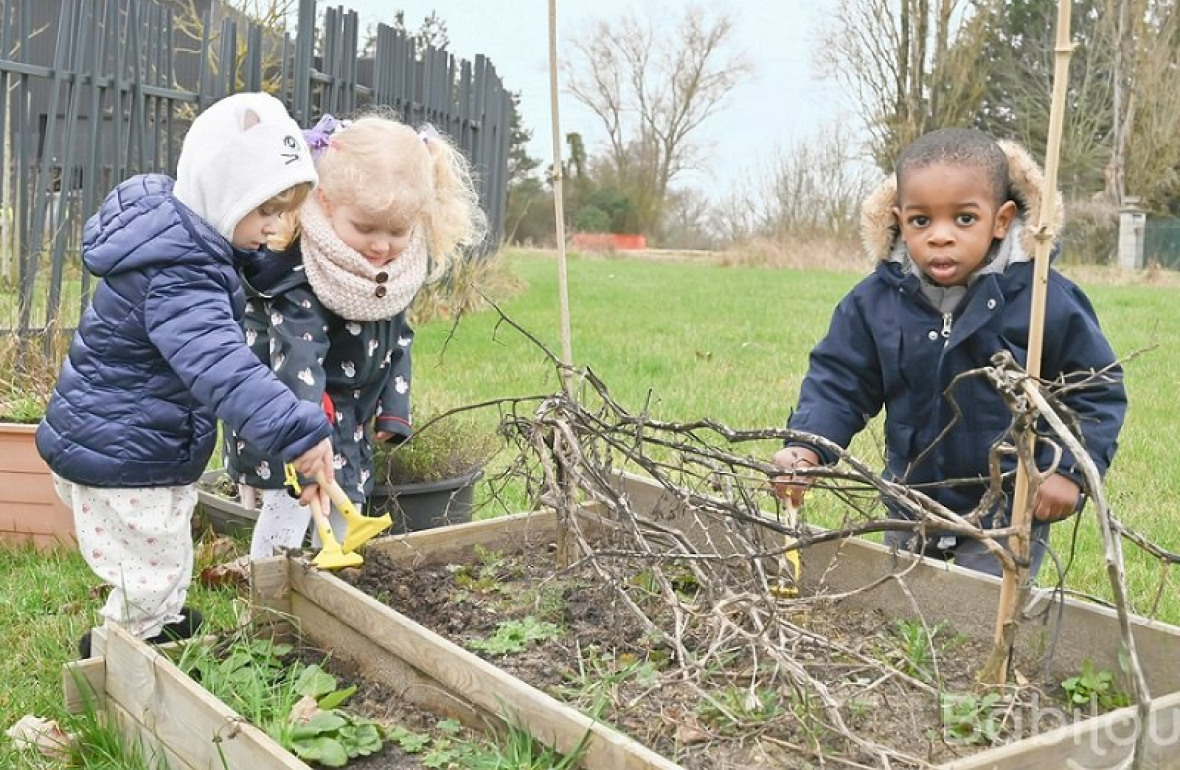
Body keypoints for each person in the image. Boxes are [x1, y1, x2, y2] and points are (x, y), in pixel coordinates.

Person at [36, 92, 337, 657]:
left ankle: (162, 631)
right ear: (224, 194)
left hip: (135, 441)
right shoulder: (180, 275)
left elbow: (237, 268)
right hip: (125, 452)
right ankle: (117, 661)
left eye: (282, 213)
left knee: (164, 548)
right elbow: (219, 363)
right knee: (148, 571)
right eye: (265, 211)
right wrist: (293, 429)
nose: (275, 227)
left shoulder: (180, 241)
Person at [771, 127, 1126, 580]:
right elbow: (840, 383)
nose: (940, 237)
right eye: (921, 221)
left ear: (1001, 220)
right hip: (910, 501)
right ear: (899, 221)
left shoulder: (1042, 299)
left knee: (982, 613)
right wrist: (807, 447)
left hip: (1007, 508)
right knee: (904, 606)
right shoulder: (874, 302)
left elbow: (1095, 388)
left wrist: (1069, 470)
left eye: (964, 219)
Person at [225, 112, 486, 559]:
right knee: (294, 501)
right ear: (325, 203)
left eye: (397, 231)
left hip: (351, 416)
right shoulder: (302, 278)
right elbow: (297, 357)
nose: (381, 246)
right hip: (294, 411)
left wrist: (393, 410)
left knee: (349, 496)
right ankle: (268, 577)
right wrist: (304, 437)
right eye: (365, 228)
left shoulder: (392, 274)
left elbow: (399, 339)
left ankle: (336, 575)